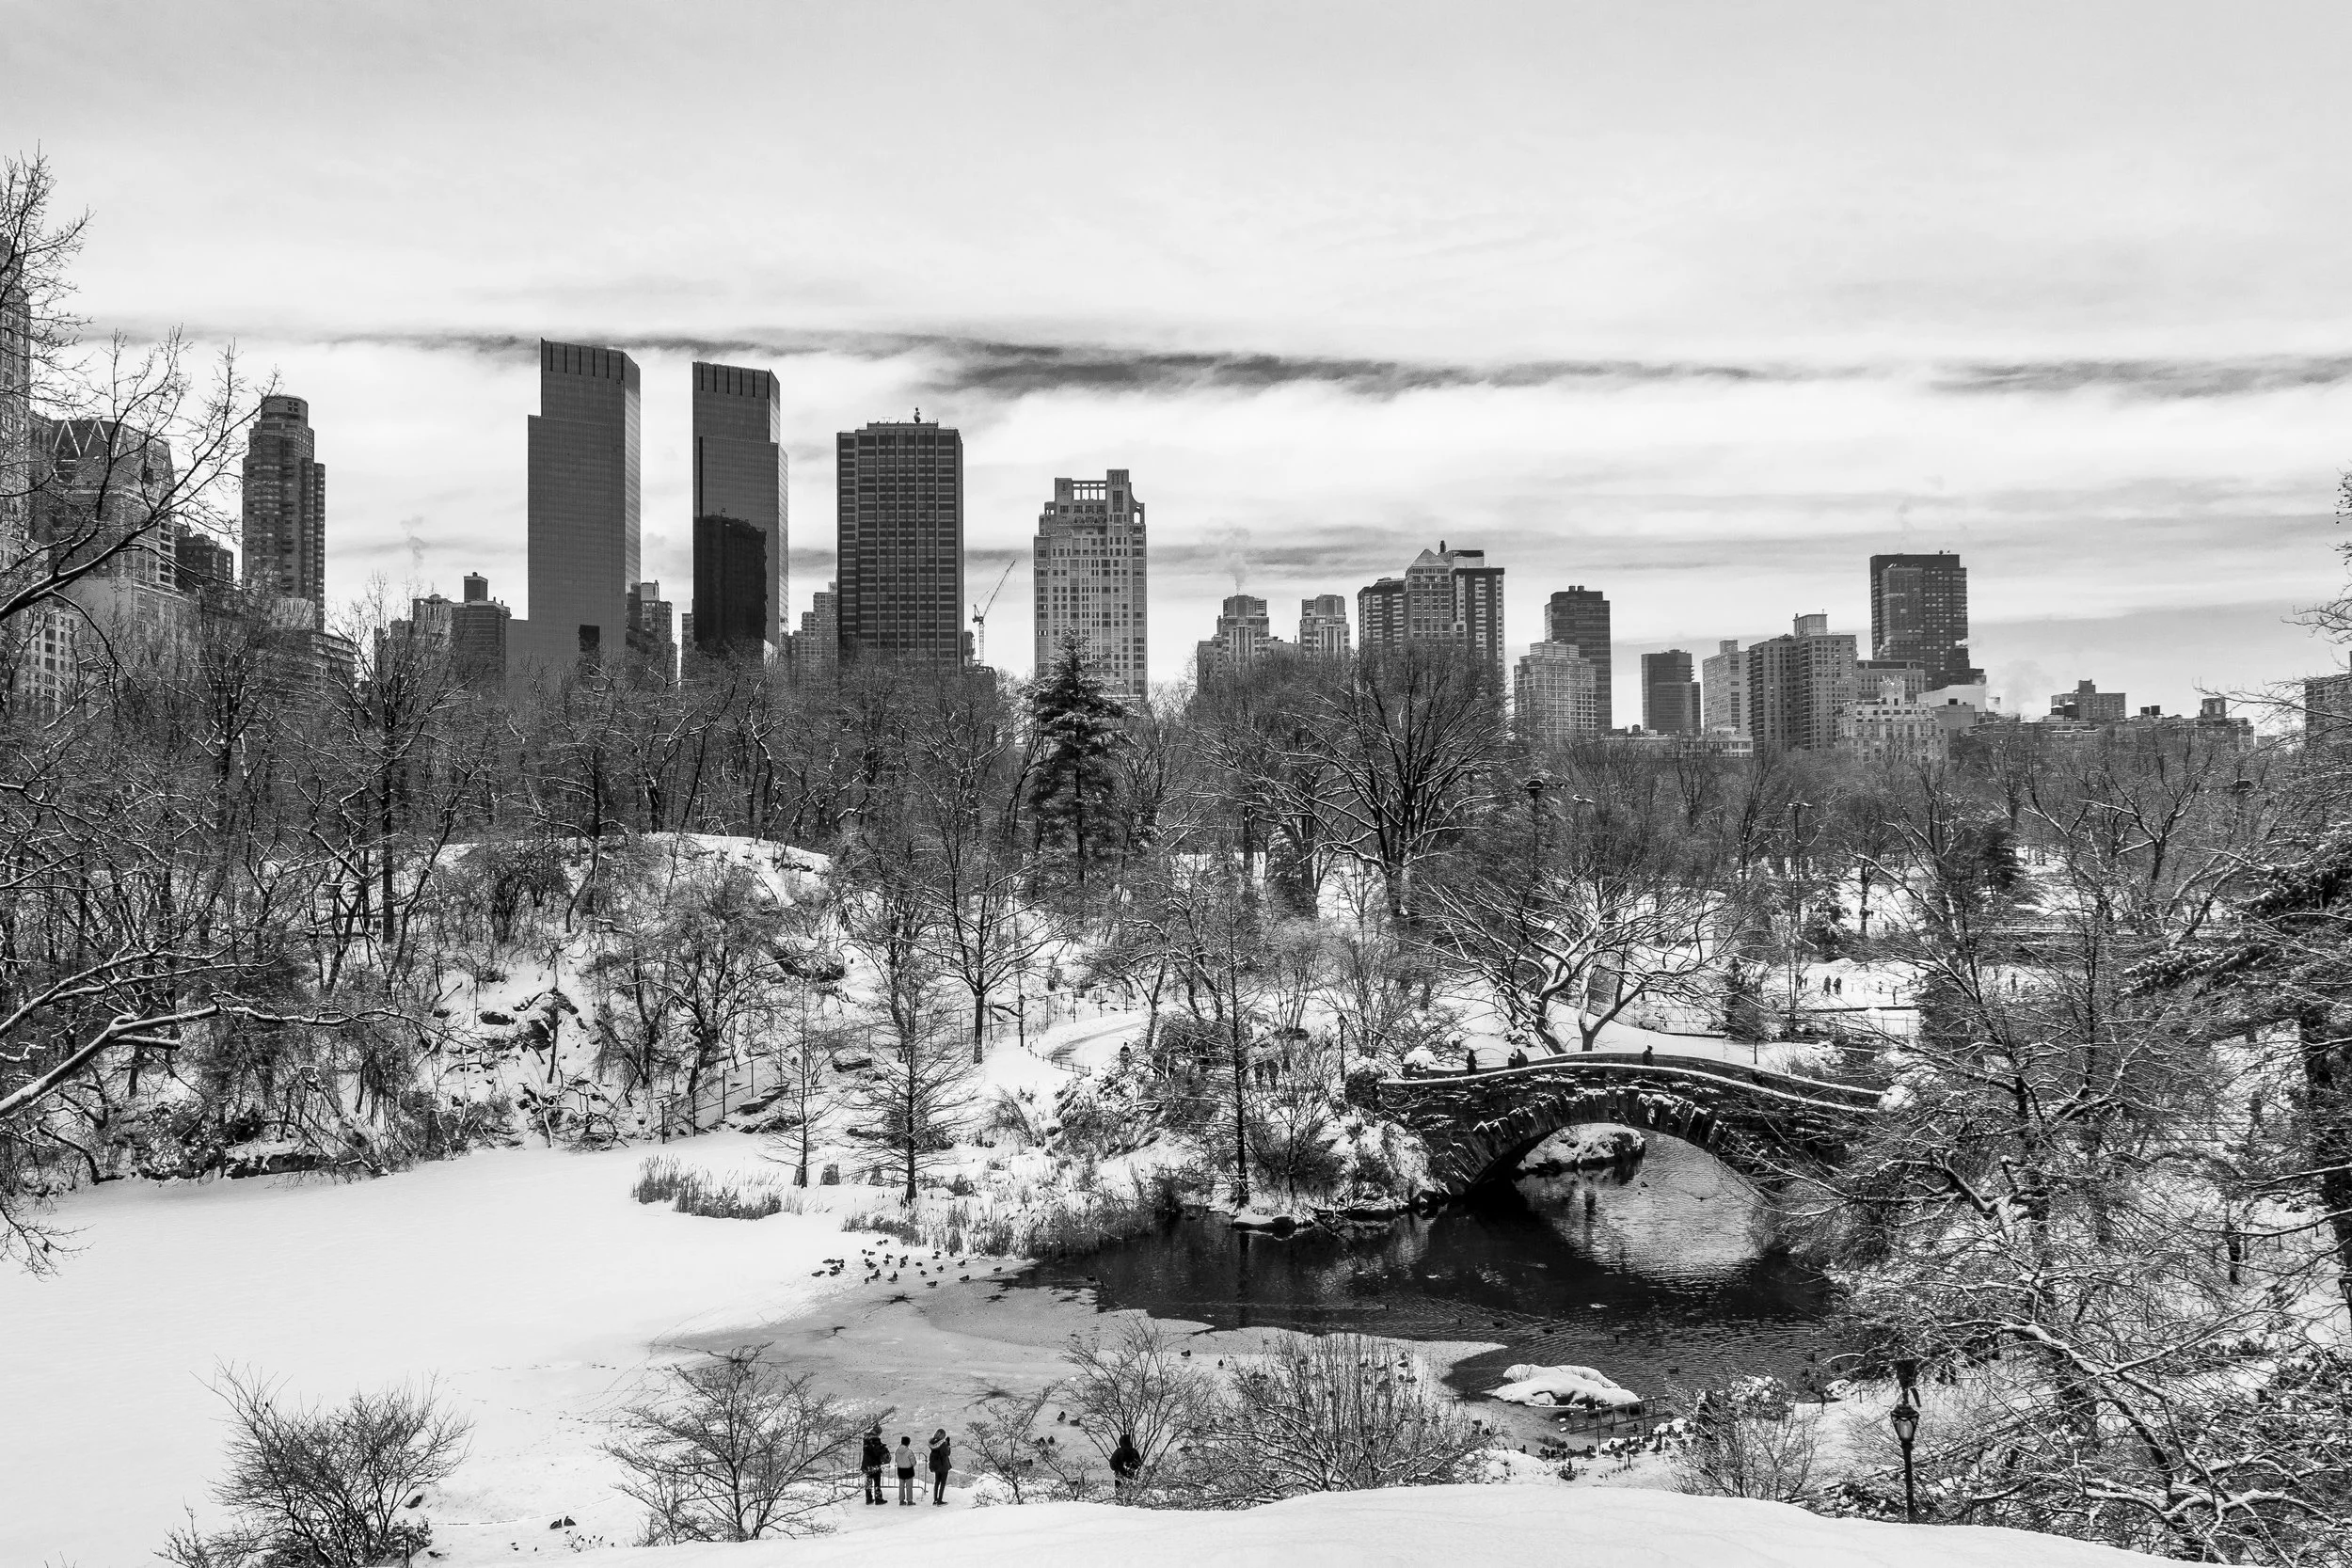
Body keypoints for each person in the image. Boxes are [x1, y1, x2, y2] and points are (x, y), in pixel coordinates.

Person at [861, 1423, 887, 1505]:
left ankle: (868, 1498)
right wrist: (883, 1449)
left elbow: (870, 1451)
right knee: (877, 1482)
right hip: (874, 1464)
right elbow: (876, 1453)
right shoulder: (875, 1440)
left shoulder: (866, 1439)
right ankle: (878, 1499)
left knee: (868, 1482)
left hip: (866, 1464)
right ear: (878, 1432)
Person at [928, 1428, 953, 1505]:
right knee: (942, 1483)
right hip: (943, 1465)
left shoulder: (932, 1443)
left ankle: (935, 1499)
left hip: (936, 1465)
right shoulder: (942, 1444)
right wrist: (948, 1444)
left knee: (936, 1482)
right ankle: (940, 1500)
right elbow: (947, 1453)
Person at [896, 1434, 918, 1504]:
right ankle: (909, 1500)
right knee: (909, 1486)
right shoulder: (909, 1452)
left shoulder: (897, 1451)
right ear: (908, 1443)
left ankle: (901, 1500)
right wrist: (913, 1464)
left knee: (901, 1486)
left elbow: (896, 1460)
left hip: (900, 1470)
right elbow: (913, 1462)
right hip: (908, 1470)